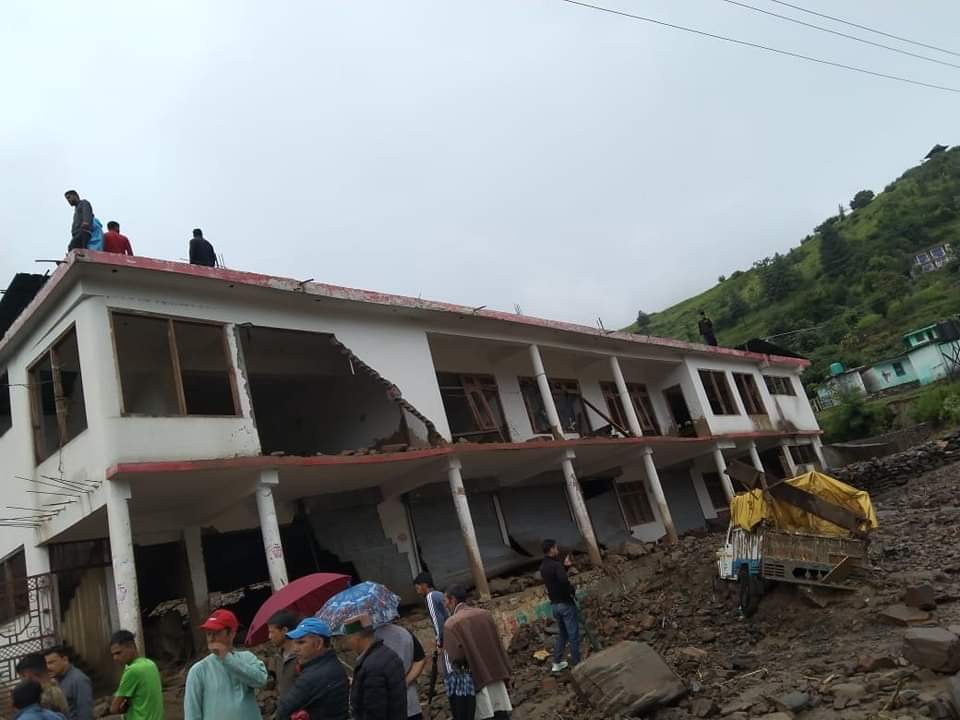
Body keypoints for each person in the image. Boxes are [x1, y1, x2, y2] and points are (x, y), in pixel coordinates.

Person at [443, 585, 512, 720]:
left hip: (477, 678)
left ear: (453, 600)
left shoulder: (451, 624)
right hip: (497, 673)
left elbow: (456, 657)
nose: (445, 605)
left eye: (445, 601)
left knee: (485, 714)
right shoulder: (485, 614)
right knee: (501, 712)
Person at [184, 608, 268, 720]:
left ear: (232, 634)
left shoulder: (247, 658)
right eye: (208, 634)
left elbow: (261, 680)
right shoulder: (199, 670)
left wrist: (227, 659)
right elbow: (192, 713)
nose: (211, 639)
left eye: (217, 633)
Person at [276, 618, 348, 720]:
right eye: (295, 643)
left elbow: (283, 710)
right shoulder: (331, 664)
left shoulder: (314, 676)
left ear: (318, 643)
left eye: (301, 642)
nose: (295, 649)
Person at [342, 613, 406, 720]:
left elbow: (374, 711)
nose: (347, 643)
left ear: (356, 637)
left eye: (347, 638)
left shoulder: (372, 668)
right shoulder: (388, 653)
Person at [540, 539, 580, 672]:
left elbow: (554, 580)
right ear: (551, 549)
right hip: (566, 604)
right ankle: (577, 664)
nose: (557, 549)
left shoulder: (543, 566)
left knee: (563, 634)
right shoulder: (556, 565)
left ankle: (556, 662)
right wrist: (572, 591)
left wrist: (566, 567)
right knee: (573, 634)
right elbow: (563, 580)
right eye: (556, 547)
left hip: (555, 606)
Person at [373, 621, 427, 720]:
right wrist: (405, 682)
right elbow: (420, 660)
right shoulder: (404, 633)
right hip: (410, 701)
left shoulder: (370, 640)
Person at [109, 630, 164, 720]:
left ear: (131, 647)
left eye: (118, 653)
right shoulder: (150, 664)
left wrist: (123, 707)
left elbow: (114, 708)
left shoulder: (132, 671)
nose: (115, 658)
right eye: (113, 655)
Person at [44, 645, 93, 720]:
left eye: (51, 662)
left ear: (65, 660)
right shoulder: (56, 679)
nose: (48, 667)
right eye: (46, 664)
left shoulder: (79, 680)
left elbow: (85, 713)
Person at [267, 610, 301, 700]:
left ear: (284, 630)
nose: (269, 637)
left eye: (272, 632)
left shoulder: (302, 656)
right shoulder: (277, 657)